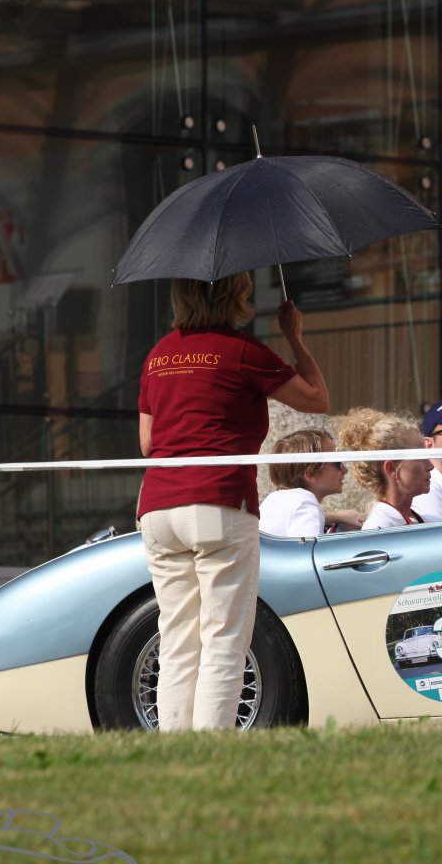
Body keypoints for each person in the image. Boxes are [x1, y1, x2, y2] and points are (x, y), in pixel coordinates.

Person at [137, 274, 327, 732]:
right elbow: (317, 398)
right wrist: (294, 336)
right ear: (234, 296)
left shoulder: (158, 355)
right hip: (219, 499)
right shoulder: (241, 350)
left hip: (158, 506)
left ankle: (174, 750)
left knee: (177, 637)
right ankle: (210, 750)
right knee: (223, 637)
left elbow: (147, 443)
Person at [334, 408, 433, 530]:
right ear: (391, 469)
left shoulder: (420, 519)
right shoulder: (379, 527)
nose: (430, 466)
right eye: (420, 457)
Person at [259, 428, 359, 537]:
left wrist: (339, 517)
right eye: (337, 462)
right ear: (311, 474)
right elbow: (310, 547)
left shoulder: (273, 500)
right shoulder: (306, 504)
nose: (345, 469)